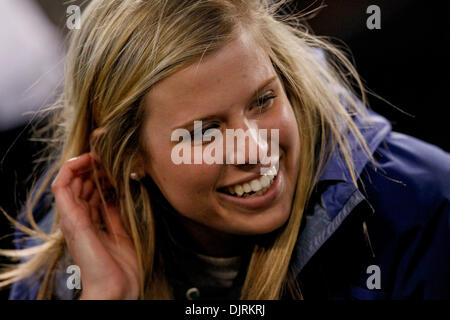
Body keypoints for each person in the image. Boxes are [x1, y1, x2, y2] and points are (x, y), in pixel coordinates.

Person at [1, 0, 448, 300]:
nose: (255, 149)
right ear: (130, 155)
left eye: (263, 100)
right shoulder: (61, 251)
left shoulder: (423, 208)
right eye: (203, 133)